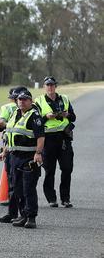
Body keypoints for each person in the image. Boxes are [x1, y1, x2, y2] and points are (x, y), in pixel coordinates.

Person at [0, 87, 44, 228]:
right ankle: (23, 215)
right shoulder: (15, 114)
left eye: (25, 100)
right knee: (17, 189)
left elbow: (41, 137)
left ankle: (31, 218)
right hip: (14, 156)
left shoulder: (34, 115)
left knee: (28, 188)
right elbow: (10, 134)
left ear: (31, 101)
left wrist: (38, 153)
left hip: (28, 157)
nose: (22, 102)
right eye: (20, 99)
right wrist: (5, 151)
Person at [34, 76, 76, 208]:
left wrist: (67, 115)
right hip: (48, 139)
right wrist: (46, 117)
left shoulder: (64, 99)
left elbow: (73, 117)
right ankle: (51, 198)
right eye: (48, 85)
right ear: (44, 87)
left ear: (55, 86)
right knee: (49, 170)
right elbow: (36, 121)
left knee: (67, 168)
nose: (50, 87)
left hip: (64, 138)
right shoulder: (39, 101)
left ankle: (65, 198)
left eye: (52, 85)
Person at [0, 87, 21, 223]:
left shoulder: (8, 108)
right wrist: (4, 150)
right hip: (11, 148)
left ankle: (21, 215)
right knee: (15, 183)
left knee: (16, 183)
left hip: (19, 152)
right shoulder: (21, 111)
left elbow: (1, 128)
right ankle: (14, 214)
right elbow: (8, 132)